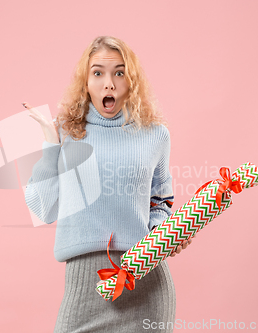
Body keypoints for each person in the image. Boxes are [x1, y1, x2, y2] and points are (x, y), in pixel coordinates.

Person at [23, 35, 194, 333]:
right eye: (98, 72)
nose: (109, 83)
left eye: (119, 72)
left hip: (145, 284)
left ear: (132, 80)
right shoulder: (66, 131)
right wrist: (51, 145)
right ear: (86, 82)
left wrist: (164, 237)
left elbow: (161, 200)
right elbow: (43, 208)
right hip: (83, 287)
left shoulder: (156, 135)